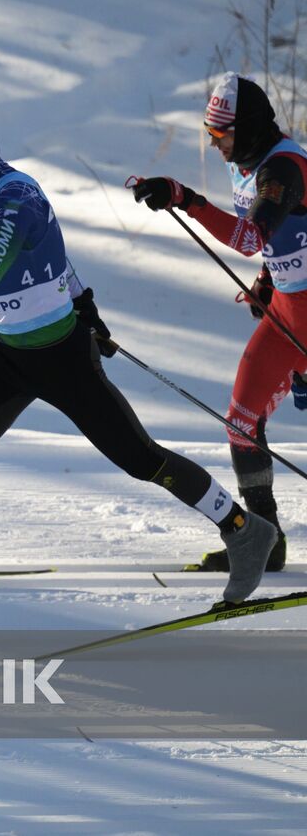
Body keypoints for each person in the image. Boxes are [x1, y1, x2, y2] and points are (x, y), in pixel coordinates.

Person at [0, 104, 277, 640]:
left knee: (142, 459)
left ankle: (245, 530)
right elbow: (54, 255)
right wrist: (86, 303)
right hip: (9, 355)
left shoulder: (15, 196)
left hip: (62, 357)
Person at [130, 73, 304, 573]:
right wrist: (269, 280)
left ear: (247, 128)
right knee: (241, 423)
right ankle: (265, 540)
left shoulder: (284, 168)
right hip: (289, 311)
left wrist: (186, 199)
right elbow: (278, 240)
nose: (215, 144)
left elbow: (251, 235)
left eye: (220, 134)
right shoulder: (246, 164)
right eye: (209, 134)